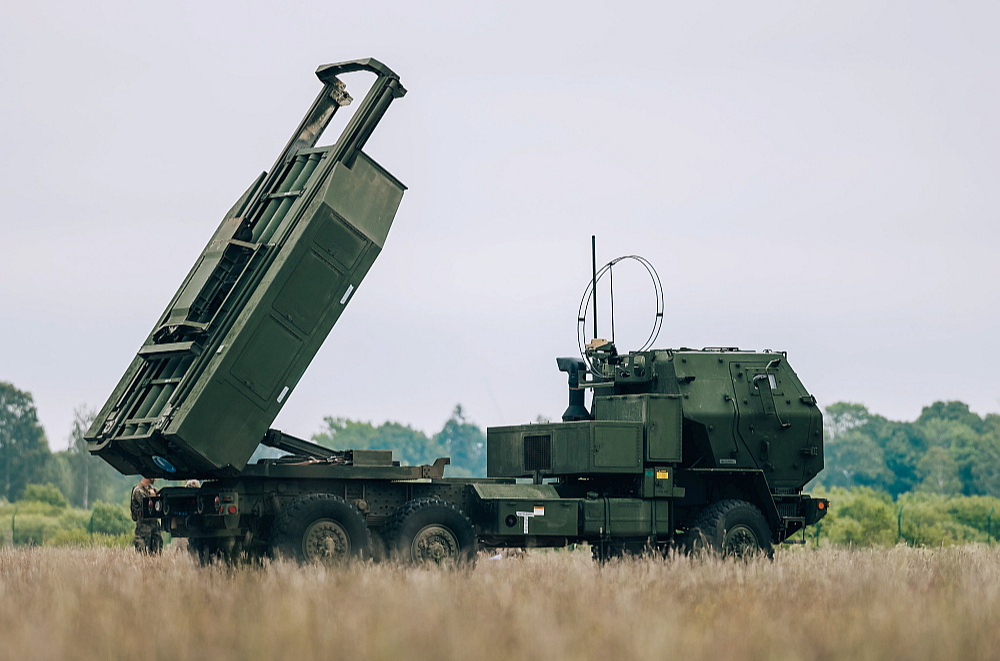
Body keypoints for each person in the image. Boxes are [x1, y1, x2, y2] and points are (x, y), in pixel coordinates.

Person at [131, 477, 162, 554]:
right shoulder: (138, 490)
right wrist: (153, 497)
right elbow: (147, 504)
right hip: (143, 528)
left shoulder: (153, 490)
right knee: (142, 553)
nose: (155, 479)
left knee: (157, 554)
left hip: (155, 527)